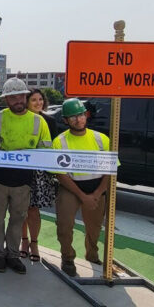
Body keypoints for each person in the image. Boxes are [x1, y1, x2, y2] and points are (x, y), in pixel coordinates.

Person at [0, 78, 52, 274]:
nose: (17, 100)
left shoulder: (38, 121)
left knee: (17, 219)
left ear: (25, 96)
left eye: (20, 96)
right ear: (6, 99)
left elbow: (46, 149)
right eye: (12, 97)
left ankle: (13, 255)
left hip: (23, 181)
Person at [53, 98, 112, 277]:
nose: (78, 120)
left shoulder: (101, 139)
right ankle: (68, 257)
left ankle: (92, 254)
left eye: (80, 115)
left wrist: (97, 193)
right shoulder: (60, 142)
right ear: (65, 120)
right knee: (64, 225)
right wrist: (82, 195)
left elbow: (110, 170)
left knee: (94, 227)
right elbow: (60, 175)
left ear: (86, 115)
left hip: (96, 188)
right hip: (71, 188)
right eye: (72, 117)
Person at [20, 89, 59, 261]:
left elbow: (53, 147)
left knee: (34, 209)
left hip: (40, 173)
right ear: (27, 102)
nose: (38, 103)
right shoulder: (21, 118)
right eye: (34, 99)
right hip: (21, 169)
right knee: (20, 209)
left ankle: (34, 243)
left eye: (40, 99)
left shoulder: (49, 121)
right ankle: (24, 241)